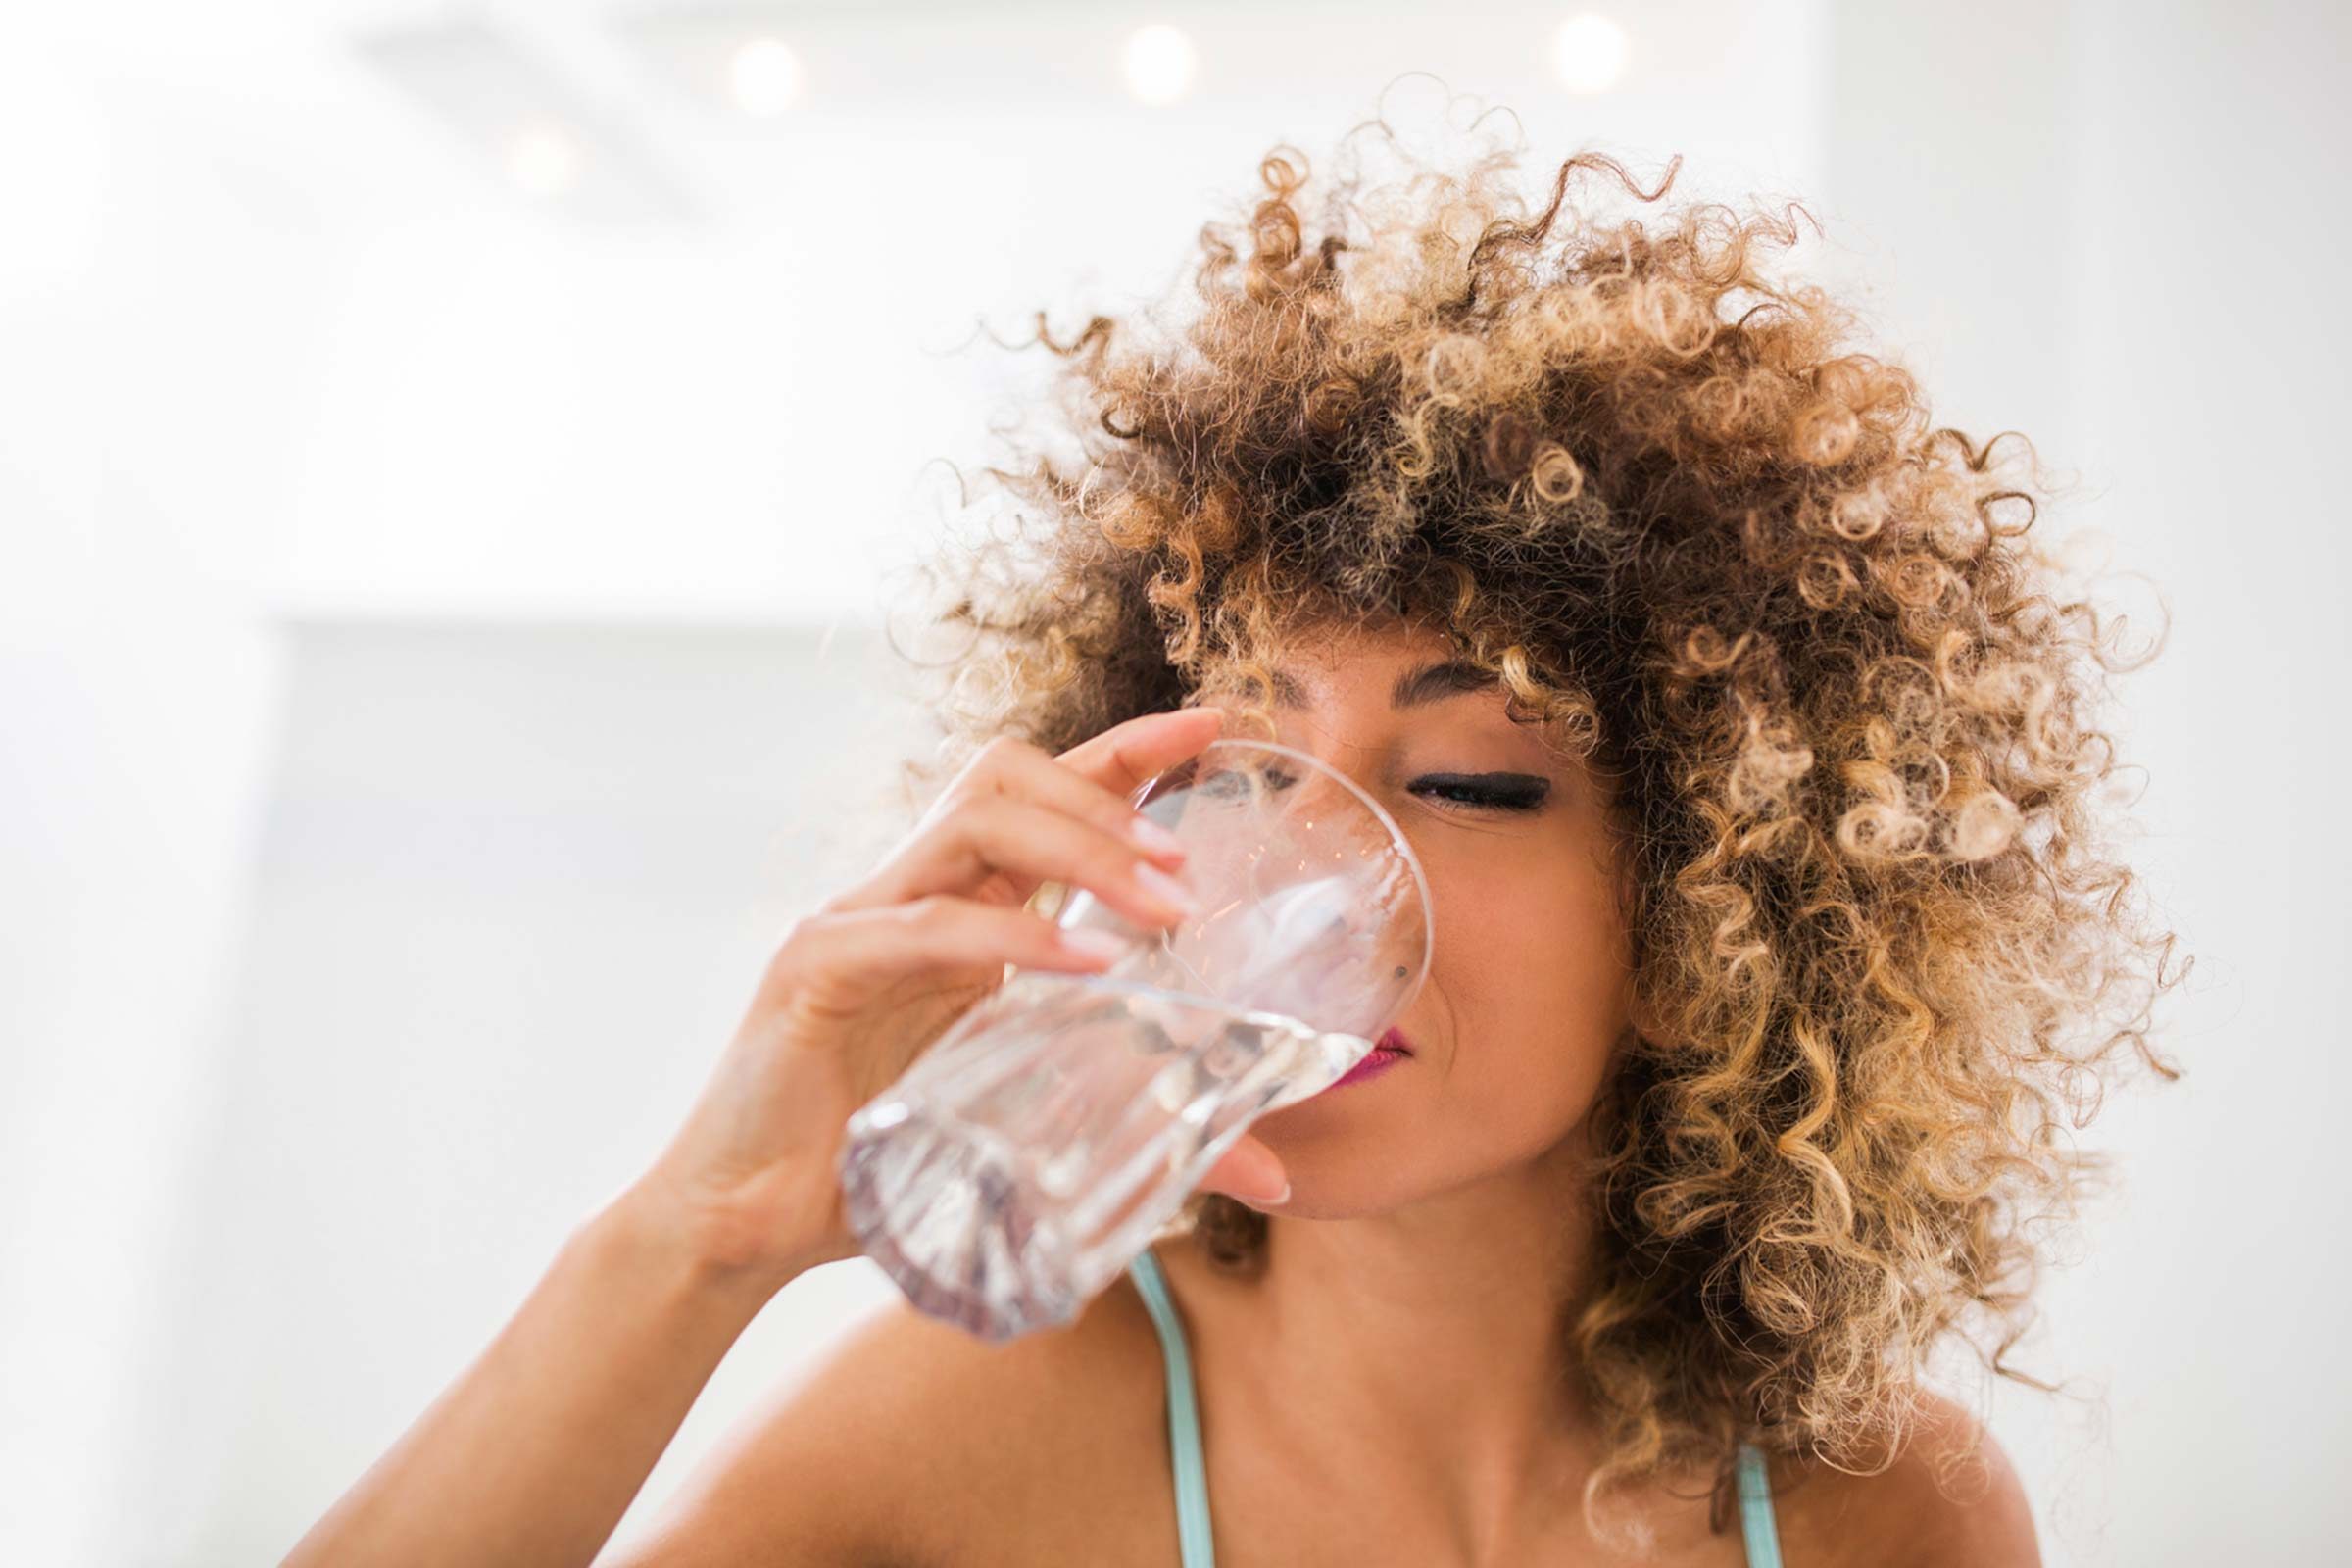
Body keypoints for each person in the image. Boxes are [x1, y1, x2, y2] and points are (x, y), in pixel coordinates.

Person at [288, 115, 2183, 1567]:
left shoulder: (1884, 1509)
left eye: (1468, 782)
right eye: (1250, 766)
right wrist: (692, 1239)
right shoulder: (987, 1434)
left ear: (1711, 933)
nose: (1302, 870)